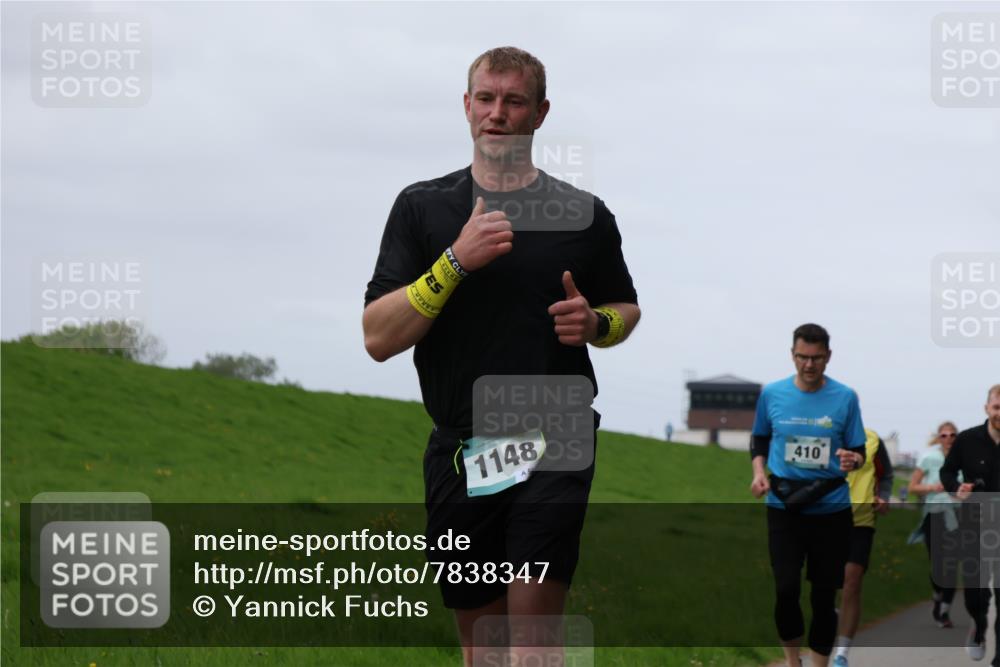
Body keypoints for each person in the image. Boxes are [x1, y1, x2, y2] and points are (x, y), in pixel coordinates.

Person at [362, 46, 640, 666]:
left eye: (514, 101)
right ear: (466, 107)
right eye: (485, 99)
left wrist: (596, 323)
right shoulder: (422, 207)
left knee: (533, 642)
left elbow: (626, 310)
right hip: (462, 444)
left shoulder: (586, 217)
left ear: (540, 113)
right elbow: (378, 338)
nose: (497, 113)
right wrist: (455, 262)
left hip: (553, 435)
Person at [749, 323, 867, 667]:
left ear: (828, 357)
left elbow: (858, 450)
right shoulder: (772, 394)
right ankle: (792, 661)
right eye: (802, 357)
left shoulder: (845, 397)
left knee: (822, 595)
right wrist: (759, 473)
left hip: (830, 510)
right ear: (792, 355)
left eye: (816, 358)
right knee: (786, 589)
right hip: (784, 506)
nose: (809, 365)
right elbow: (759, 439)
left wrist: (853, 458)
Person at [941, 385, 1000, 664]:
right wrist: (955, 487)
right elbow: (947, 470)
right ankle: (978, 625)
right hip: (974, 523)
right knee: (975, 593)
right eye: (997, 407)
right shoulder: (967, 440)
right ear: (987, 408)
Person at [831, 428, 894, 667]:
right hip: (825, 519)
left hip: (861, 521)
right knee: (826, 585)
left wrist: (884, 497)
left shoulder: (873, 439)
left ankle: (842, 654)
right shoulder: (822, 433)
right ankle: (830, 618)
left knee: (852, 582)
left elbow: (886, 475)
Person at [907, 421, 960, 629]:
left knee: (952, 564)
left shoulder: (963, 459)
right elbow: (912, 486)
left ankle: (945, 611)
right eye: (944, 435)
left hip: (957, 516)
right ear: (938, 438)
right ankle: (937, 595)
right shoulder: (929, 458)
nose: (948, 439)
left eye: (952, 435)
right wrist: (931, 487)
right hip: (934, 514)